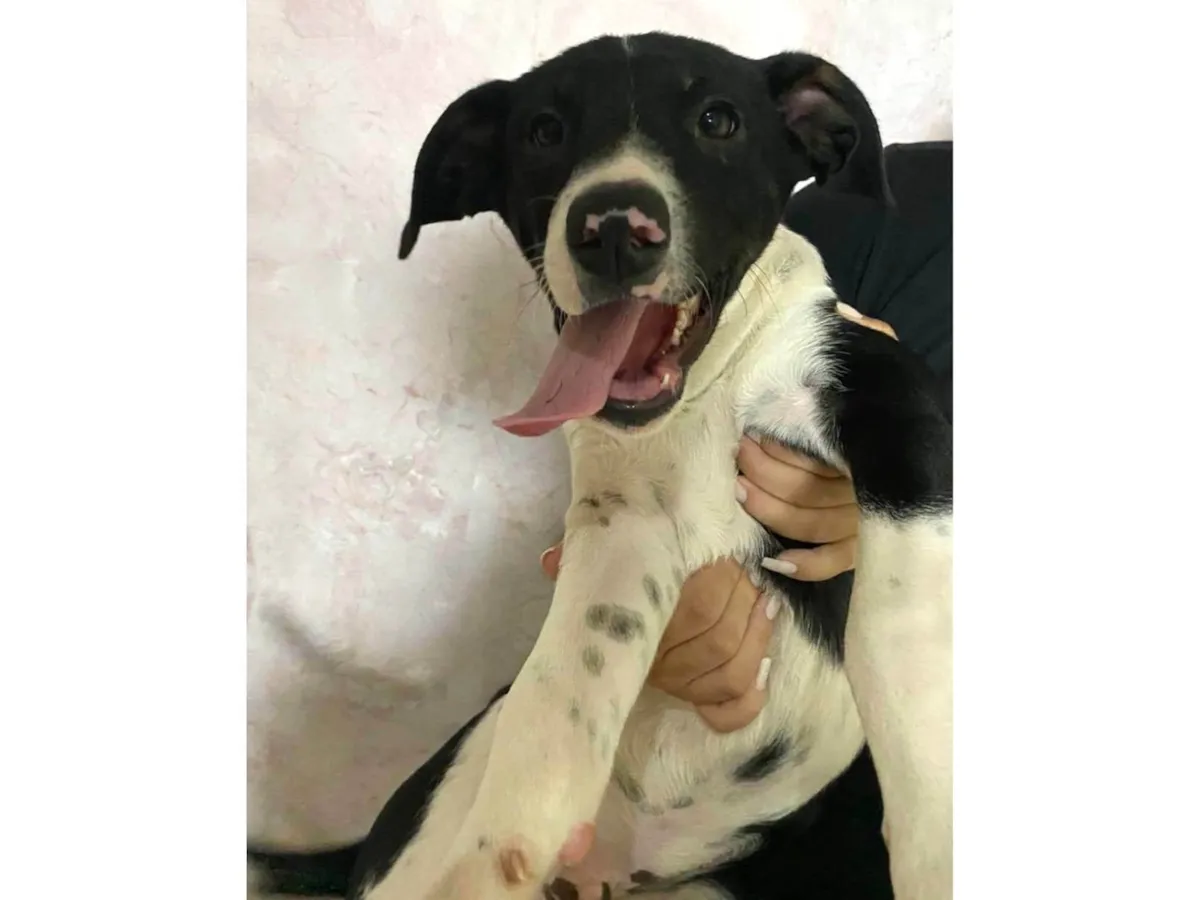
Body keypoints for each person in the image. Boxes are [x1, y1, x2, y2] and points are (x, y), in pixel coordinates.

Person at [540, 141, 952, 734]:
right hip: (681, 724)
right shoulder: (892, 205)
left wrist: (913, 521)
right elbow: (663, 406)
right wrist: (658, 569)